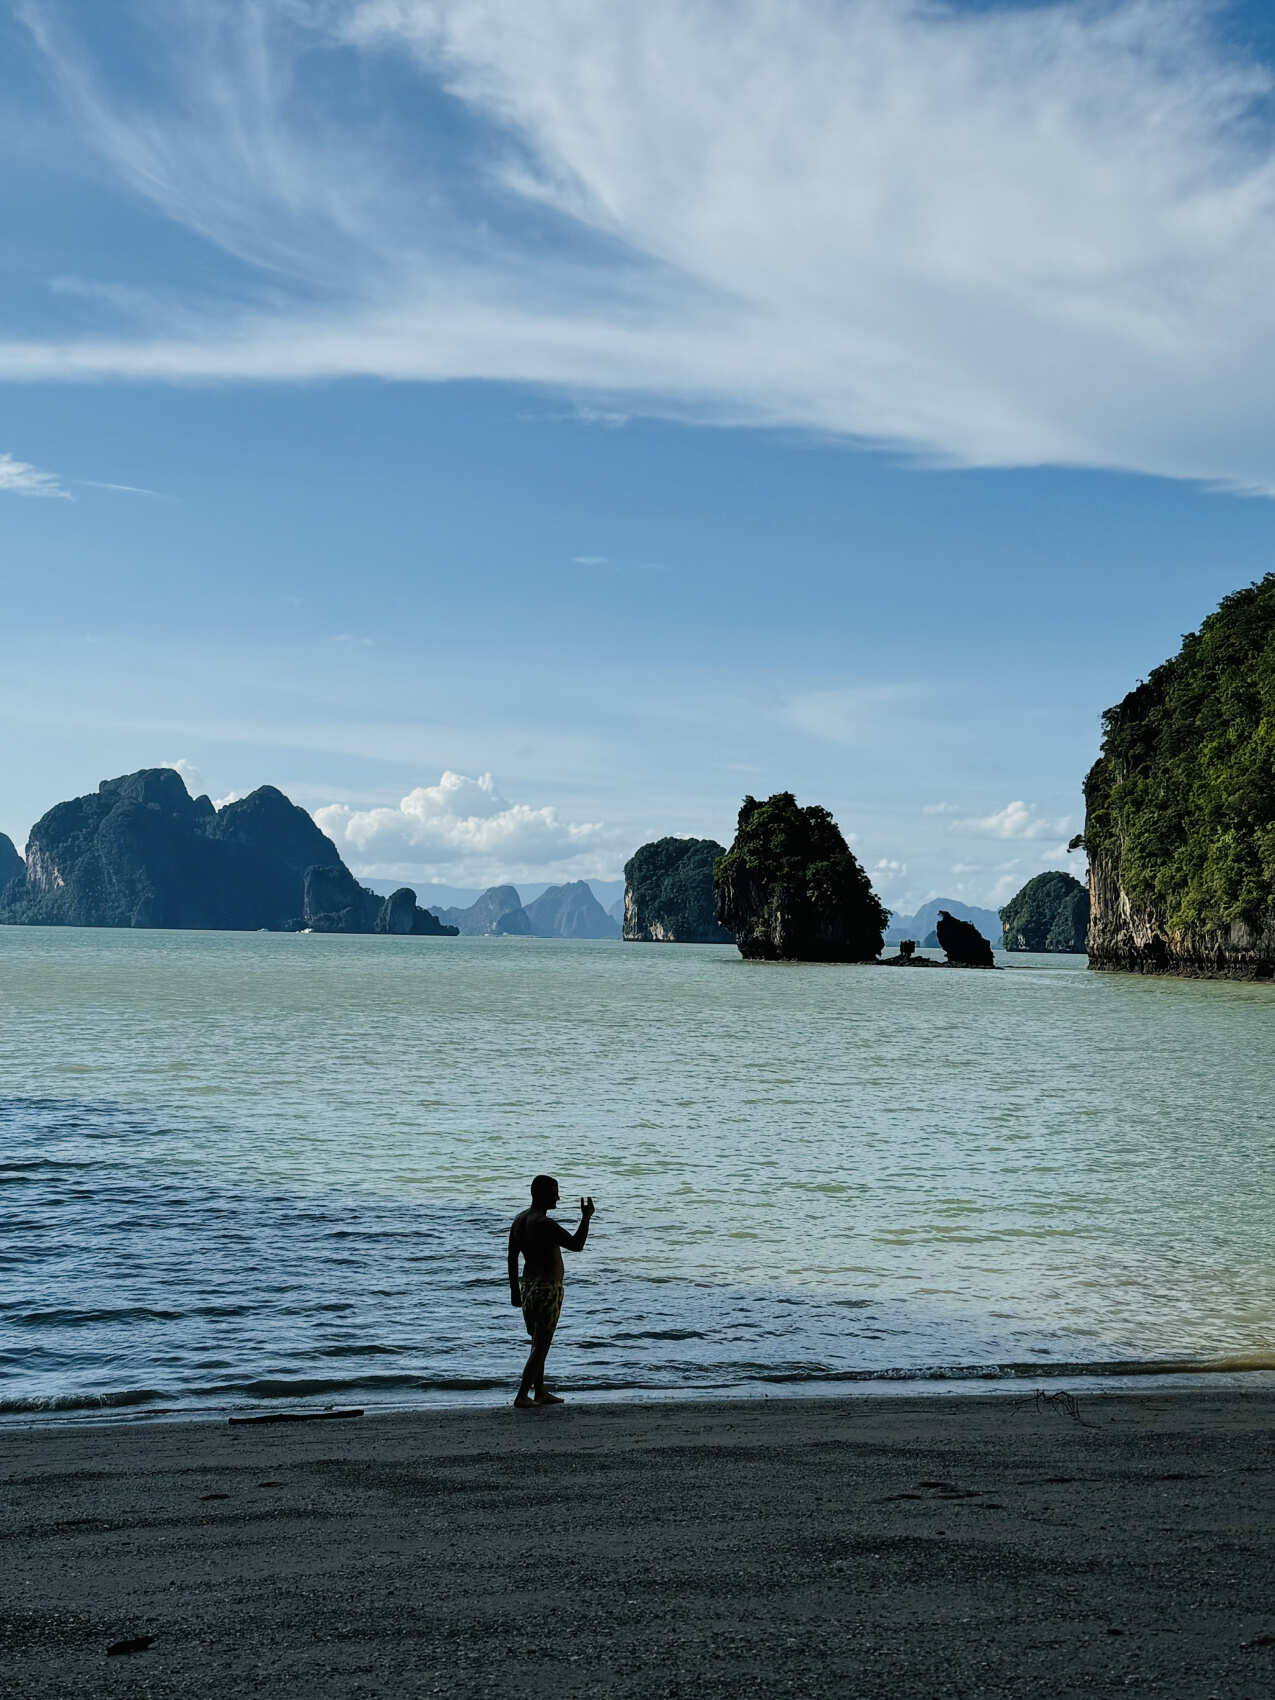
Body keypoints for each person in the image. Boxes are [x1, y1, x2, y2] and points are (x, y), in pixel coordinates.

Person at [507, 1175, 594, 1409]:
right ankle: (522, 1394)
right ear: (542, 1194)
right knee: (542, 1345)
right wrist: (586, 1218)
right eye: (554, 1192)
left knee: (537, 1341)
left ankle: (540, 1391)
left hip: (528, 1287)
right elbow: (577, 1244)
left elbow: (512, 1258)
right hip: (547, 1289)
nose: (558, 1197)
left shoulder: (519, 1220)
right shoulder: (544, 1224)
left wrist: (515, 1291)